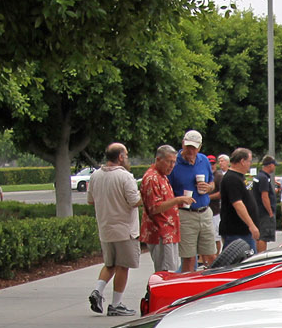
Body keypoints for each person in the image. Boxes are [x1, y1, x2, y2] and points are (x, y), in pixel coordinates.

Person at [87, 143, 143, 316]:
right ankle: (116, 304)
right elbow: (134, 201)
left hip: (105, 228)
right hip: (124, 229)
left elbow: (90, 200)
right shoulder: (125, 177)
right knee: (123, 266)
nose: (127, 158)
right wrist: (145, 195)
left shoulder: (95, 176)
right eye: (126, 155)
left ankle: (97, 290)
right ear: (120, 157)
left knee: (109, 264)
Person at [138, 144, 189, 278]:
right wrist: (177, 200)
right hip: (160, 233)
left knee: (171, 270)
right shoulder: (152, 178)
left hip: (169, 231)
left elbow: (164, 203)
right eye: (169, 161)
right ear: (158, 159)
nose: (172, 165)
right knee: (166, 273)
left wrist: (177, 204)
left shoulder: (162, 176)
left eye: (174, 162)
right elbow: (155, 207)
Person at [171, 129, 217, 271]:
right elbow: (167, 191)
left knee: (211, 255)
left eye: (194, 147)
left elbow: (212, 182)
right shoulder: (174, 163)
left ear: (199, 147)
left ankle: (213, 286)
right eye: (188, 147)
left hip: (204, 212)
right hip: (185, 214)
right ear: (183, 144)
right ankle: (187, 287)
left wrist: (208, 188)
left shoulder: (203, 160)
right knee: (189, 257)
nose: (191, 151)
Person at [216, 148, 261, 251]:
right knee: (239, 262)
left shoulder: (240, 177)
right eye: (249, 161)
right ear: (242, 161)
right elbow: (238, 204)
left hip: (243, 231)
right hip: (237, 231)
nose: (250, 164)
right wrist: (251, 225)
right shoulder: (231, 178)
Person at [252, 155, 279, 251]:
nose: (274, 167)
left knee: (259, 236)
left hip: (258, 211)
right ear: (270, 165)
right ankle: (261, 257)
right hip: (264, 213)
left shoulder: (259, 176)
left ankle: (257, 254)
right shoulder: (264, 178)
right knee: (263, 237)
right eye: (274, 165)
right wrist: (270, 212)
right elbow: (264, 196)